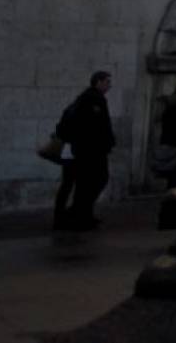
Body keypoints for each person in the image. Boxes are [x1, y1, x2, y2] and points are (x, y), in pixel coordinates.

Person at [54, 70, 115, 231]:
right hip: (88, 151)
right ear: (98, 82)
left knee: (77, 184)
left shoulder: (84, 98)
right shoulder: (93, 99)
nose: (109, 86)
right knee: (93, 181)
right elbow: (97, 126)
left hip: (79, 149)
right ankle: (77, 214)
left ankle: (75, 215)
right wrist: (105, 143)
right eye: (107, 82)